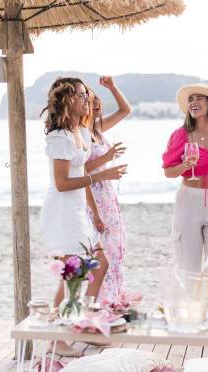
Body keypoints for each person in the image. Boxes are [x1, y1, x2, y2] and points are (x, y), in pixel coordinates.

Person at [40, 77, 127, 355]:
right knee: (73, 276)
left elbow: (83, 172)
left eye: (86, 95)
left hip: (79, 210)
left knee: (100, 262)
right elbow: (62, 183)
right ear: (66, 100)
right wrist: (101, 175)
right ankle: (57, 338)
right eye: (80, 95)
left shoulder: (80, 131)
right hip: (64, 211)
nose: (86, 99)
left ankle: (84, 322)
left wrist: (103, 169)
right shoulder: (59, 138)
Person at [162, 83, 208, 313]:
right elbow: (168, 171)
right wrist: (185, 165)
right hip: (189, 201)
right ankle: (188, 315)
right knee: (189, 264)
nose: (193, 103)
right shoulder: (181, 135)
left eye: (199, 98)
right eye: (190, 99)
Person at [85, 76, 130, 303]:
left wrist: (112, 87)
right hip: (91, 192)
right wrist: (107, 157)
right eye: (91, 101)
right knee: (101, 250)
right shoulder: (81, 133)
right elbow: (78, 169)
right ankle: (99, 301)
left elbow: (124, 110)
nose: (96, 104)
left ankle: (112, 298)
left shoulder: (97, 128)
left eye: (98, 100)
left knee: (114, 246)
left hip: (107, 192)